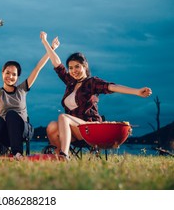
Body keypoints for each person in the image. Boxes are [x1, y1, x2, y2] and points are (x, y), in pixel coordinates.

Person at [41, 32, 152, 160]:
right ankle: (59, 158)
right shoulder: (70, 83)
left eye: (77, 67)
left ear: (85, 66)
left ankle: (64, 155)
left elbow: (111, 87)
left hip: (90, 129)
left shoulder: (91, 82)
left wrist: (137, 91)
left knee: (63, 117)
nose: (73, 71)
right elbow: (57, 64)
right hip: (74, 130)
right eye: (70, 68)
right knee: (51, 126)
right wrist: (45, 42)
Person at [0, 32, 60, 159]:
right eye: (7, 73)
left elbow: (37, 68)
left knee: (11, 115)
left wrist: (50, 48)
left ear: (17, 77)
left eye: (14, 74)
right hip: (5, 133)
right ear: (3, 73)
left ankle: (17, 153)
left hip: (23, 130)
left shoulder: (22, 89)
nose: (10, 76)